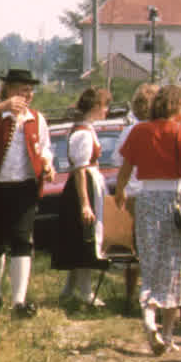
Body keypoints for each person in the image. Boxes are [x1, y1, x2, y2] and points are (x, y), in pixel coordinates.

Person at [113, 82, 181, 353]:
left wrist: (121, 192)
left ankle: (151, 320)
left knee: (152, 261)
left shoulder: (139, 131)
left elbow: (125, 170)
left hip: (147, 200)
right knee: (175, 265)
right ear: (175, 104)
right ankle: (167, 334)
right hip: (177, 201)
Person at [51, 86, 112, 308]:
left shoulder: (86, 129)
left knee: (82, 237)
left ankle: (69, 290)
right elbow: (79, 170)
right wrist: (85, 204)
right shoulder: (83, 134)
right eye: (105, 106)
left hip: (88, 185)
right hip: (82, 189)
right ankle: (85, 291)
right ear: (96, 107)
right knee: (86, 238)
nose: (107, 110)